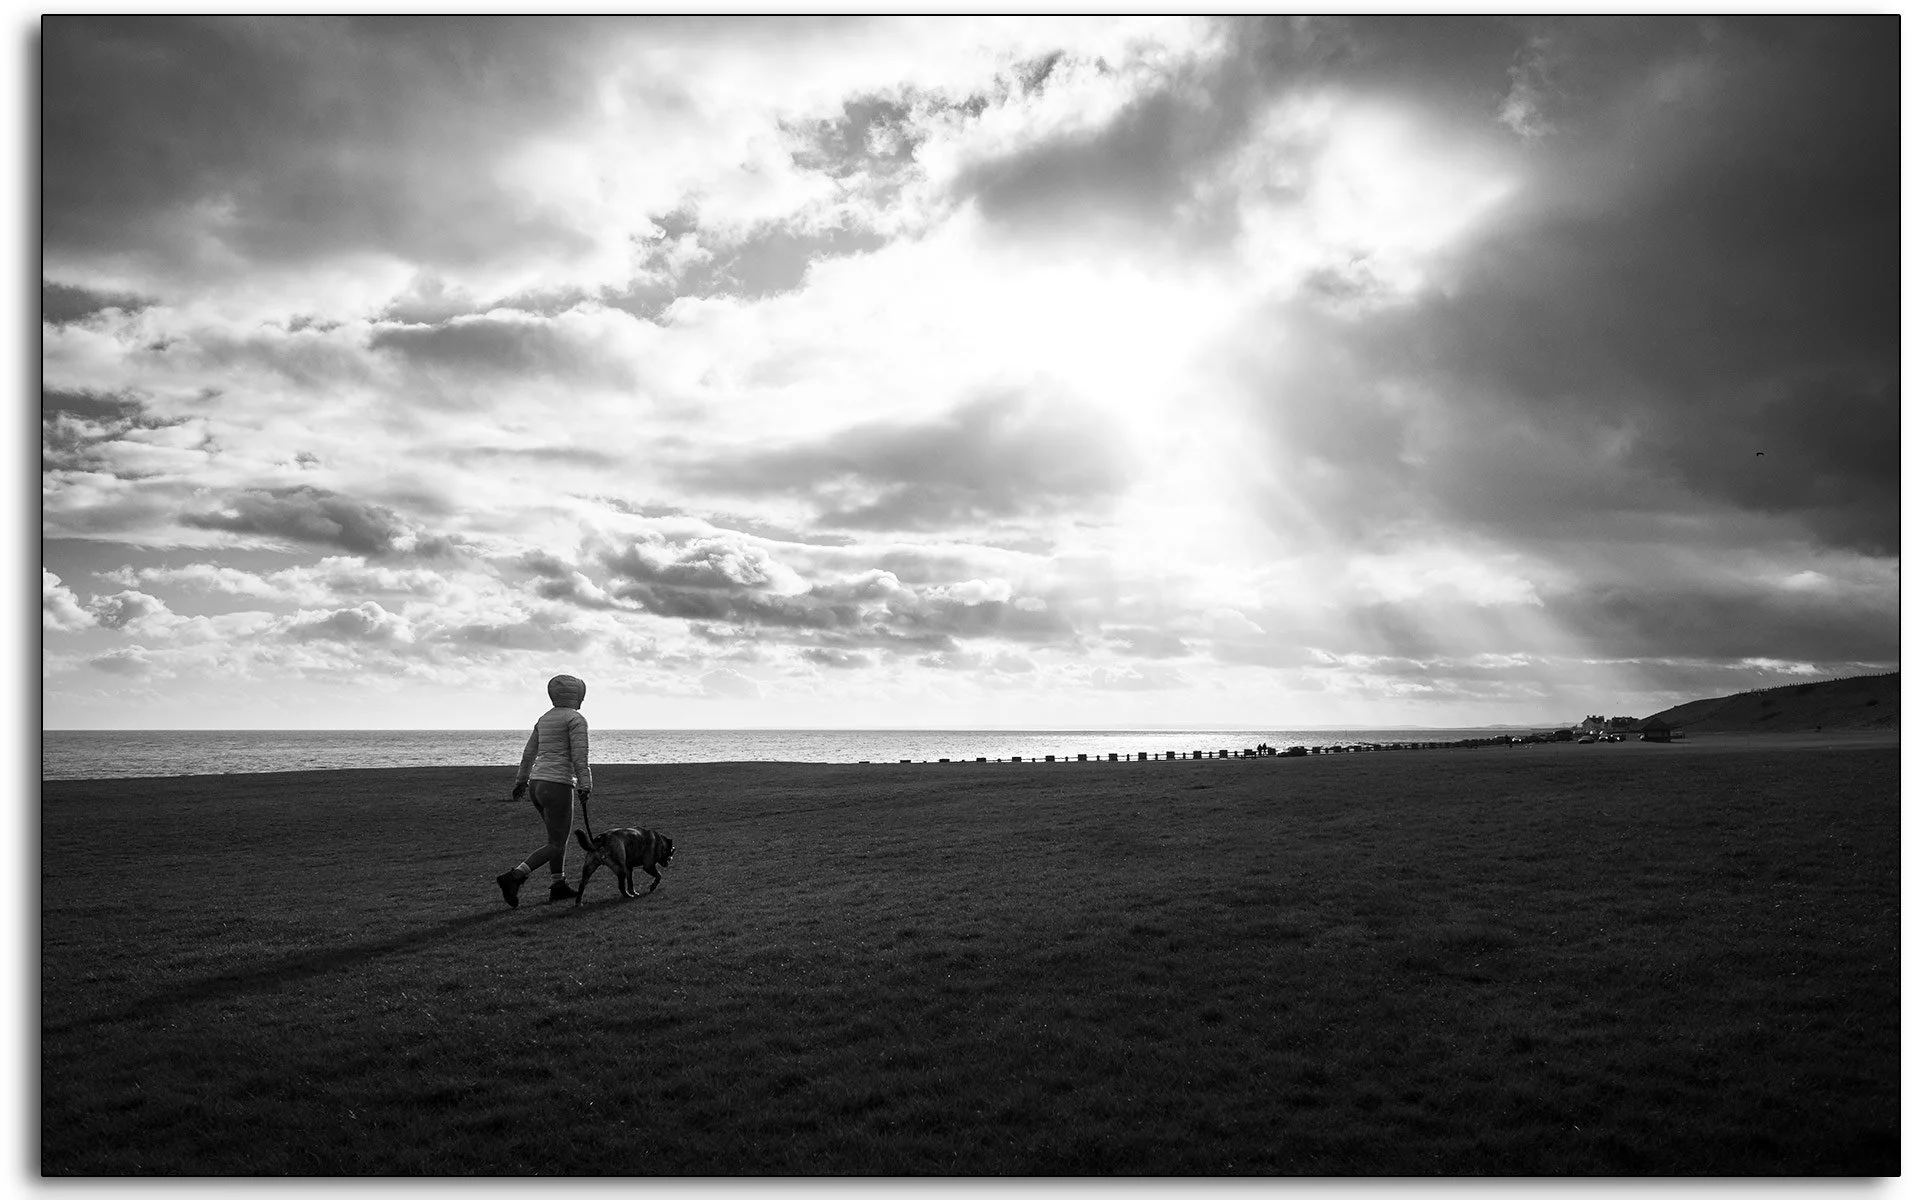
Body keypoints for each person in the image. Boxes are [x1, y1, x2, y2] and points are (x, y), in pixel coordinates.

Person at [496, 673, 593, 906]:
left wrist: (522, 780)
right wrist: (585, 784)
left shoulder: (544, 719)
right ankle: (515, 876)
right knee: (557, 842)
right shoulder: (576, 719)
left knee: (556, 838)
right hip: (557, 784)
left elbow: (529, 753)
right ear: (576, 694)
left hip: (537, 784)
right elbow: (580, 756)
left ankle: (558, 885)